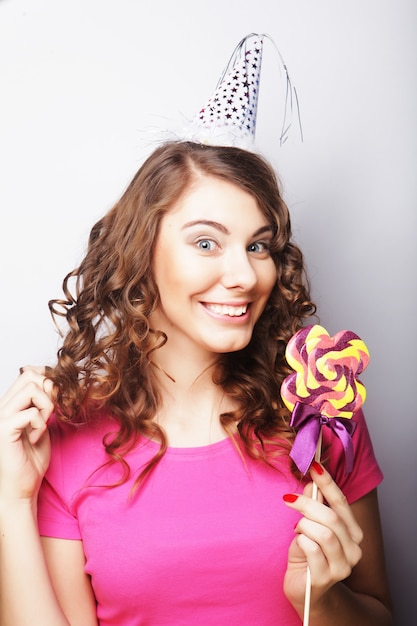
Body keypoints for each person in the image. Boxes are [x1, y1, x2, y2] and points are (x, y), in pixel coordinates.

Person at [0, 140, 392, 625]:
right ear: (141, 253)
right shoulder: (66, 435)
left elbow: (380, 613)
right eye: (206, 243)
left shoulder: (321, 416)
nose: (245, 275)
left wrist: (323, 598)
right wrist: (12, 498)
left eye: (257, 246)